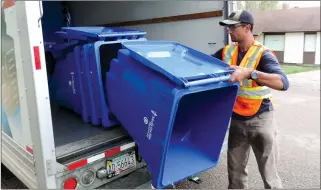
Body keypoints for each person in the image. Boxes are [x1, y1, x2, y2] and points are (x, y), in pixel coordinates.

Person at [212, 10, 289, 189]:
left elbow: (283, 82)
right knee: (235, 173)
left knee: (269, 174)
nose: (229, 31)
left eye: (233, 27)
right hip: (237, 119)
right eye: (228, 27)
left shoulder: (263, 54)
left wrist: (250, 73)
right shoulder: (226, 51)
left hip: (261, 119)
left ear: (247, 28)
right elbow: (203, 64)